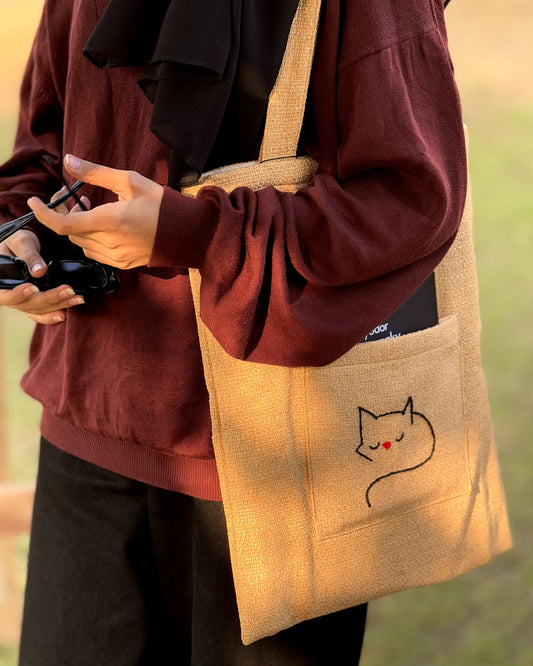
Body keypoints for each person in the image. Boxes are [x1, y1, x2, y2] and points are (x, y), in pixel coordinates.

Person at [0, 0, 466, 663]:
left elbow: (408, 199)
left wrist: (196, 234)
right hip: (88, 427)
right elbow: (47, 145)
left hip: (276, 460)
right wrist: (22, 232)